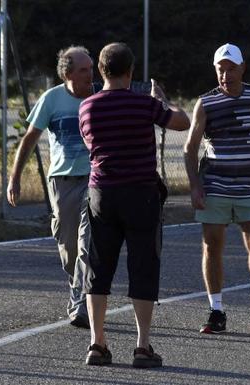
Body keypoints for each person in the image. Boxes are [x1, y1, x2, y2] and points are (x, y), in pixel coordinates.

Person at [79, 42, 190, 367]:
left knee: (98, 268)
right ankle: (142, 345)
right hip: (141, 193)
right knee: (143, 266)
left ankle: (97, 343)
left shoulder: (87, 107)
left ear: (101, 70)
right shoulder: (145, 105)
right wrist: (161, 100)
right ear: (131, 71)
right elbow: (181, 122)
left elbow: (90, 144)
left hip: (102, 193)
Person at [183, 43, 250, 334]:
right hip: (215, 184)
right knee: (211, 246)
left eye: (230, 69)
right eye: (220, 69)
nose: (225, 75)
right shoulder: (206, 103)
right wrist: (195, 186)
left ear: (242, 68)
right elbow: (190, 150)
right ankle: (216, 310)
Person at [7, 46, 99, 329]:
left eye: (92, 68)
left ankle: (81, 302)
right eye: (84, 70)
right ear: (68, 73)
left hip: (94, 179)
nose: (90, 75)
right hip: (62, 180)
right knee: (68, 244)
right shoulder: (52, 99)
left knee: (88, 242)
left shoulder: (99, 96)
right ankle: (77, 286)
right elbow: (30, 138)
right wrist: (15, 177)